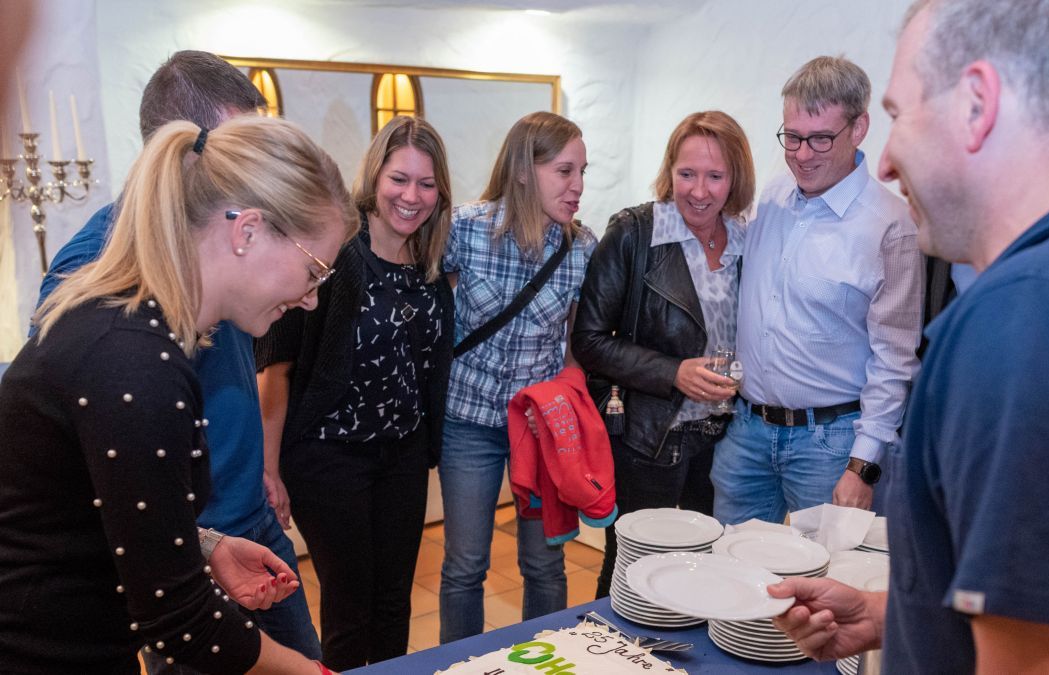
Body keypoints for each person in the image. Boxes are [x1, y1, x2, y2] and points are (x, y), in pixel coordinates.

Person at [768, 0, 1049, 672]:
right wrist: (895, 614)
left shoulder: (1036, 320)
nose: (884, 162)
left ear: (977, 102)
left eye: (898, 115)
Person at [0, 115, 357, 673]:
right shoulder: (134, 360)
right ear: (248, 232)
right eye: (315, 271)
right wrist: (314, 672)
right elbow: (180, 623)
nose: (312, 299)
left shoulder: (141, 331)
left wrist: (206, 545)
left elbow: (93, 503)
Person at [255, 115, 454, 669]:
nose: (411, 196)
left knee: (393, 602)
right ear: (375, 177)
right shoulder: (333, 253)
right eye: (400, 179)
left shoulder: (433, 267)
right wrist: (269, 468)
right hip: (327, 456)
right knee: (349, 608)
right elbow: (277, 365)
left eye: (426, 184)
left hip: (403, 457)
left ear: (440, 193)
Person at [712, 56, 923, 523]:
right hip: (747, 433)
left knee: (828, 584)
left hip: (832, 444)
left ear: (859, 127)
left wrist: (863, 465)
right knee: (730, 580)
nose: (802, 155)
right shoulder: (772, 199)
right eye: (792, 137)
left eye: (820, 139)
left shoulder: (891, 225)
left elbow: (894, 356)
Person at [572, 111, 753, 598]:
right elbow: (589, 340)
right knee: (634, 568)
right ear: (669, 169)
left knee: (707, 571)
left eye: (715, 176)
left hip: (725, 436)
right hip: (650, 434)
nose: (699, 190)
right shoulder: (635, 234)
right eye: (687, 173)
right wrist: (673, 372)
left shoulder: (745, 240)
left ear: (735, 178)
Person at [438, 111, 596, 643]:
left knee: (546, 565)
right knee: (465, 566)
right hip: (468, 423)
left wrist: (564, 409)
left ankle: (544, 659)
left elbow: (578, 347)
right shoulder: (465, 228)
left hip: (539, 429)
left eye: (582, 173)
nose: (577, 187)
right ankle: (460, 663)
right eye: (565, 171)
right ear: (525, 169)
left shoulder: (580, 248)